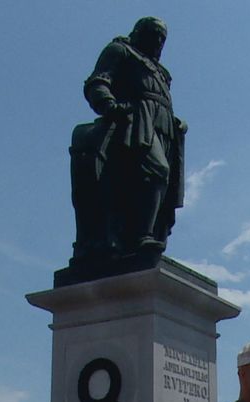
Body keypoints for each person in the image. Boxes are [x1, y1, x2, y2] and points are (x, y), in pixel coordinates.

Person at [82, 16, 186, 257]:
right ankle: (142, 236)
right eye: (154, 34)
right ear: (139, 32)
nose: (159, 41)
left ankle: (146, 234)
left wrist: (174, 120)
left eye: (163, 38)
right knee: (157, 171)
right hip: (136, 123)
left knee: (164, 183)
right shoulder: (121, 50)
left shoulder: (161, 72)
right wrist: (108, 104)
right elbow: (98, 81)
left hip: (165, 129)